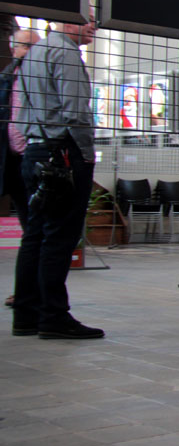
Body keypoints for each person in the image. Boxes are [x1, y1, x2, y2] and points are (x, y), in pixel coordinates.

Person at [12, 18, 102, 339]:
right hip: (63, 153)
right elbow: (76, 112)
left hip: (36, 150)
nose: (95, 26)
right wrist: (87, 155)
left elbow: (22, 110)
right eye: (88, 19)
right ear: (66, 20)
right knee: (59, 237)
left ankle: (26, 315)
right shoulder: (65, 53)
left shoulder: (34, 53)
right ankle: (54, 316)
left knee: (35, 235)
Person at [2, 29, 41, 309]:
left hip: (30, 160)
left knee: (35, 230)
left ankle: (27, 293)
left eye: (35, 47)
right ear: (13, 47)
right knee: (33, 231)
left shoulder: (38, 80)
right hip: (13, 161)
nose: (30, 52)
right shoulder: (7, 79)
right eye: (25, 46)